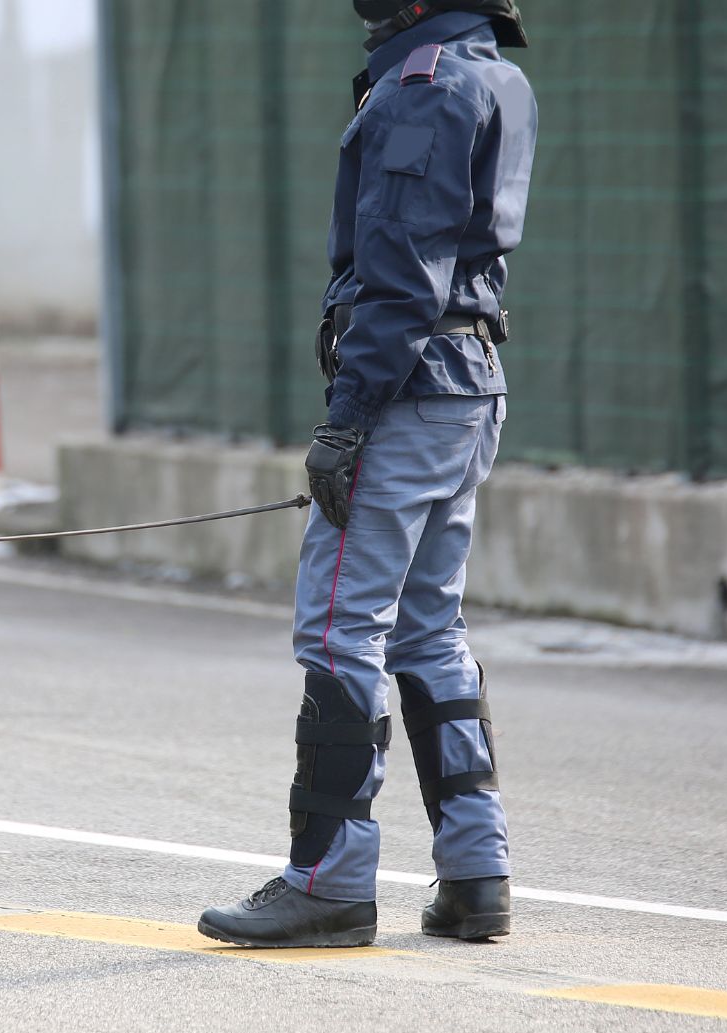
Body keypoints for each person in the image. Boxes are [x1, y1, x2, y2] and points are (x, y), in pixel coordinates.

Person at [197, 0, 536, 948]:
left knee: (341, 632)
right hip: (467, 387)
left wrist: (346, 423)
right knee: (429, 630)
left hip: (408, 390)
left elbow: (401, 275)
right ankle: (477, 874)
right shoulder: (492, 75)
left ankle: (330, 880)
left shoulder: (423, 87)